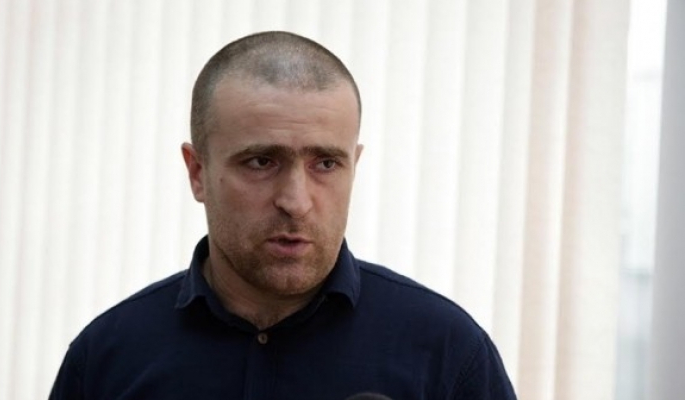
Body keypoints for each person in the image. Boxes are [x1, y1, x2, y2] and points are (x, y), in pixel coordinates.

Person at [49, 31, 517, 400]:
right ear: (198, 172)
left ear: (354, 166)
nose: (296, 201)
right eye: (261, 162)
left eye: (326, 163)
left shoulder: (448, 353)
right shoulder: (106, 358)